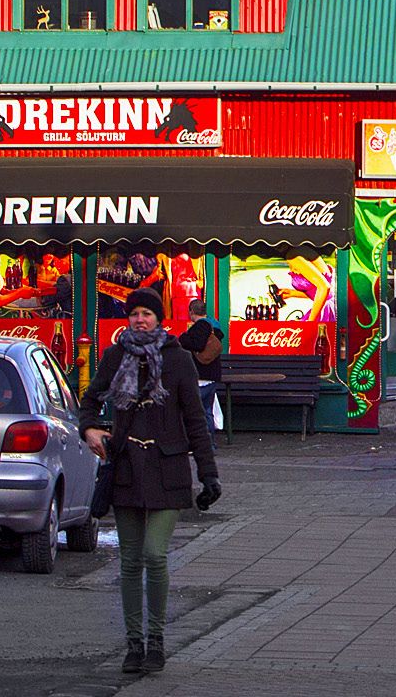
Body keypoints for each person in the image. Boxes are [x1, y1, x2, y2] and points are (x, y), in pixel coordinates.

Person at [81, 286, 220, 676]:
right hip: (125, 470)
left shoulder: (177, 361)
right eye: (135, 313)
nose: (140, 319)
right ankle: (133, 644)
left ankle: (156, 640)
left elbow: (195, 421)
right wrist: (89, 429)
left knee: (154, 555)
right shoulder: (115, 355)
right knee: (129, 561)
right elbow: (89, 401)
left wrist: (208, 474)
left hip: (167, 471)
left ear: (160, 318)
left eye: (147, 313)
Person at [177, 297, 225, 433]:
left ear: (191, 311)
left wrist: (183, 338)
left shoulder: (201, 325)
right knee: (207, 411)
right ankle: (210, 442)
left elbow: (197, 344)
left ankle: (200, 442)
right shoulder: (214, 325)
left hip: (202, 375)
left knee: (194, 411)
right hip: (213, 375)